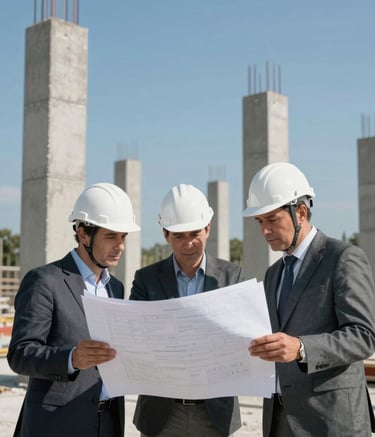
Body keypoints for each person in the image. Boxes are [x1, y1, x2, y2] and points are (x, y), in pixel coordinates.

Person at [243, 162, 375, 437]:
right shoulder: (273, 274)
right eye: (260, 221)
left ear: (300, 212)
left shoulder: (343, 259)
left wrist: (302, 348)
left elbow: (363, 336)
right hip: (279, 420)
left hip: (332, 421)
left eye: (272, 219)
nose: (264, 230)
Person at [7, 182, 140, 437]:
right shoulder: (45, 281)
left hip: (110, 421)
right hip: (58, 424)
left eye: (123, 237)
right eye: (111, 235)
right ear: (83, 234)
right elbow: (20, 354)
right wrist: (71, 359)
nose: (120, 245)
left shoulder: (116, 288)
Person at [130, 183, 244, 437]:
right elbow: (135, 337)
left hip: (215, 413)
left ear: (208, 228)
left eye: (195, 233)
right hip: (161, 414)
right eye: (179, 236)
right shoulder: (146, 279)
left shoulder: (231, 276)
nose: (189, 244)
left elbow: (242, 337)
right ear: (165, 234)